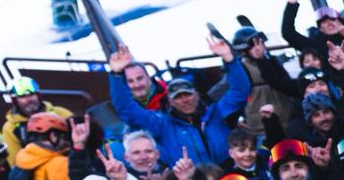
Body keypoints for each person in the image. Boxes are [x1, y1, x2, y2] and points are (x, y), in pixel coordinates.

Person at [108, 38, 252, 165]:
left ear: (197, 95)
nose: (184, 100)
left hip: (228, 174)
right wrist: (117, 75)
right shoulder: (162, 124)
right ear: (170, 102)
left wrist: (230, 59)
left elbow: (240, 91)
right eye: (178, 97)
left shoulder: (217, 113)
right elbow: (126, 109)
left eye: (187, 95)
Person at [1, 77, 73, 159]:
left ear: (38, 95)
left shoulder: (61, 113)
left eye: (32, 94)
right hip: (33, 165)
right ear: (14, 100)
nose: (29, 99)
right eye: (23, 96)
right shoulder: (10, 128)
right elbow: (15, 161)